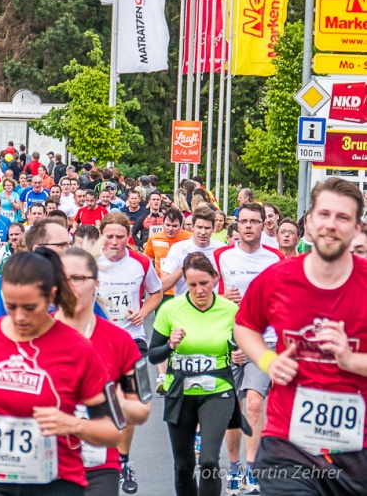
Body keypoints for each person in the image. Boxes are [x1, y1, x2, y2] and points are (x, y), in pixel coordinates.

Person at [0, 248, 122, 494]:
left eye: (30, 307)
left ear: (51, 296)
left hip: (53, 480)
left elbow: (113, 430)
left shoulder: (78, 348)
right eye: (11, 306)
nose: (19, 316)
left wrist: (74, 425)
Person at [235, 177, 367, 496]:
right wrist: (268, 361)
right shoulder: (278, 279)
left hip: (355, 449)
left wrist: (350, 360)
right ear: (308, 221)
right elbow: (244, 326)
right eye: (324, 214)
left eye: (343, 217)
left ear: (357, 228)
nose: (331, 225)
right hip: (287, 441)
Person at [150, 252, 247, 496]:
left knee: (209, 461)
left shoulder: (230, 309)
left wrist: (240, 353)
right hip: (179, 392)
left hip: (218, 391)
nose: (199, 290)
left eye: (204, 283)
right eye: (192, 284)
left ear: (215, 279)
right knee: (183, 466)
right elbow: (153, 355)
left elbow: (242, 345)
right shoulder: (170, 309)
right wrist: (170, 346)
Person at [55, 247, 151, 496]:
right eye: (63, 279)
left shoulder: (121, 341)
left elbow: (141, 410)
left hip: (99, 462)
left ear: (96, 282)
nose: (70, 287)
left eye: (78, 279)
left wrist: (110, 396)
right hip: (45, 463)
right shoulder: (32, 335)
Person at [215, 201, 283, 491]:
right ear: (237, 225)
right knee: (232, 408)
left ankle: (252, 469)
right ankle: (233, 467)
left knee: (254, 403)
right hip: (229, 343)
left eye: (255, 221)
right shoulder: (222, 256)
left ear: (263, 224)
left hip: (263, 343)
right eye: (244, 221)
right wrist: (223, 300)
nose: (249, 226)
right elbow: (207, 300)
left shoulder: (275, 258)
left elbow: (283, 302)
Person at [96, 212, 162, 493]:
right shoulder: (90, 262)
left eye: (119, 237)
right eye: (109, 236)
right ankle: (97, 459)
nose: (114, 242)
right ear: (101, 236)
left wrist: (143, 312)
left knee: (129, 404)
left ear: (128, 237)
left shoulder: (141, 262)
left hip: (131, 340)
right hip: (96, 340)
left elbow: (156, 292)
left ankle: (122, 460)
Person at [160, 206, 220, 298]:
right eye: (199, 227)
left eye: (207, 228)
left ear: (213, 229)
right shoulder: (179, 248)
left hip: (213, 306)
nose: (203, 232)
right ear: (192, 227)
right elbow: (162, 286)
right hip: (185, 306)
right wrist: (183, 268)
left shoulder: (221, 250)